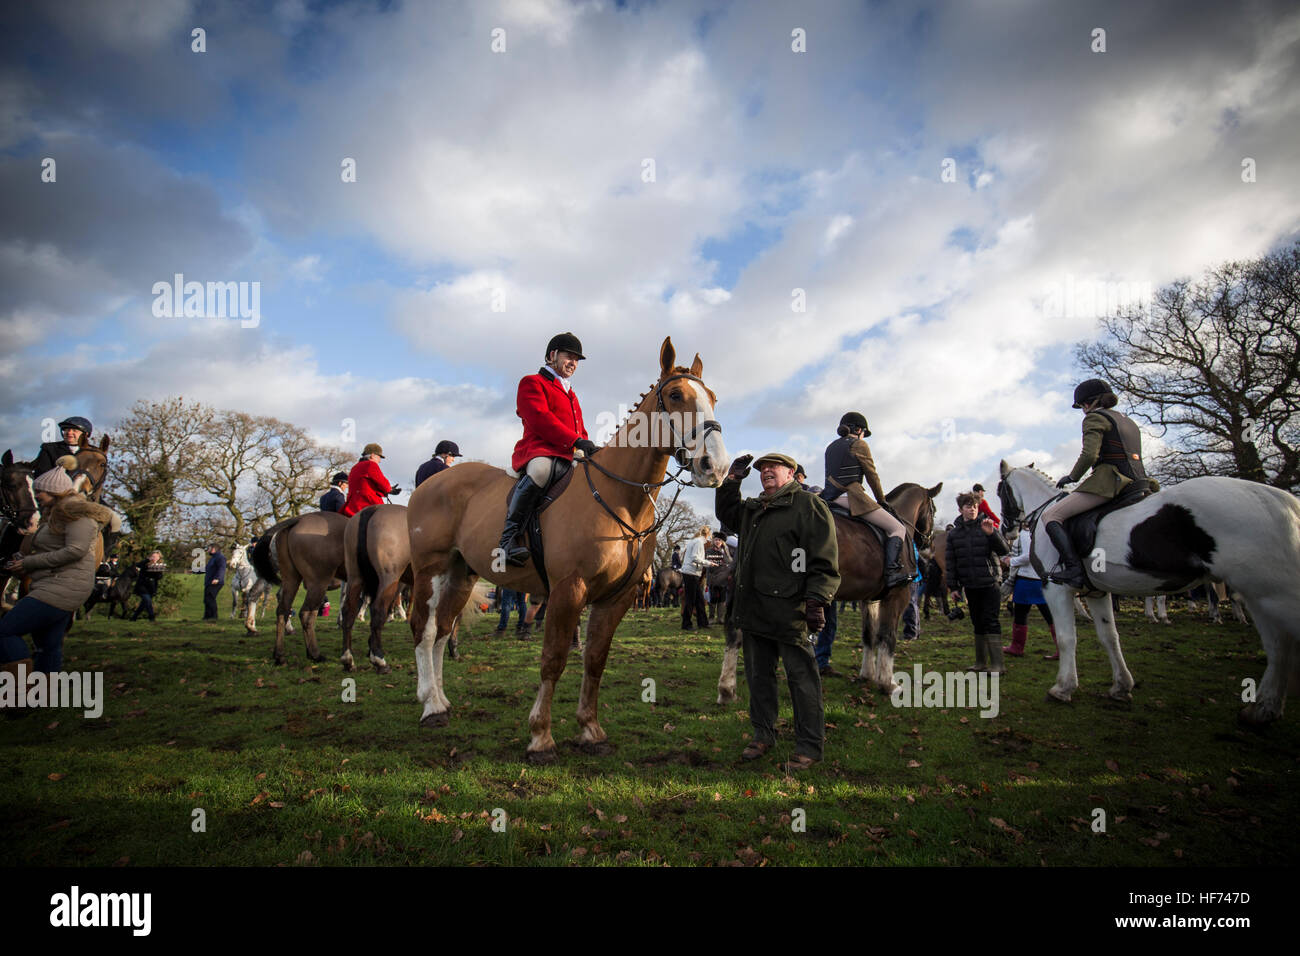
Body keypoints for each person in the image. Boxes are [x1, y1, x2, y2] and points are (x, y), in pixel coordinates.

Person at [716, 451, 840, 772]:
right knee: (759, 677)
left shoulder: (808, 506)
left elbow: (823, 558)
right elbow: (727, 513)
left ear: (791, 473)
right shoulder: (755, 508)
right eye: (762, 468)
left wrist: (816, 600)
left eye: (774, 466)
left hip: (791, 610)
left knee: (801, 680)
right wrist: (731, 481)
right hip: (754, 608)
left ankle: (809, 745)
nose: (766, 470)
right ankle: (763, 734)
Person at [0, 466, 115, 679]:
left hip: (61, 588)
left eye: (39, 492)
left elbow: (76, 550)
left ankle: (18, 690)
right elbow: (50, 549)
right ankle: (44, 695)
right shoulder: (55, 515)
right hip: (57, 585)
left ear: (54, 491)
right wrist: (22, 560)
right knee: (47, 645)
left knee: (5, 631)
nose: (36, 496)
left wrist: (30, 562)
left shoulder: (75, 514)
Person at [1039, 379, 1149, 588]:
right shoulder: (1128, 421)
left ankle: (1074, 570)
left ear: (1087, 403)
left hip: (1112, 482)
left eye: (1081, 406)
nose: (1082, 411)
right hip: (1140, 481)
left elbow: (1090, 455)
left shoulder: (1094, 418)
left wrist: (1072, 477)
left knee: (1050, 515)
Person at [498, 332, 594, 566]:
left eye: (576, 360)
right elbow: (540, 419)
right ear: (552, 356)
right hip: (539, 450)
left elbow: (580, 430)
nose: (573, 363)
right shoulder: (532, 382)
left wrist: (587, 445)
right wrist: (575, 441)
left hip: (568, 453)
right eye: (568, 356)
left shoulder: (572, 394)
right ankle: (508, 540)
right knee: (541, 471)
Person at [820, 412, 908, 588]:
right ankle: (891, 573)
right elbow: (872, 476)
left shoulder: (830, 447)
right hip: (851, 497)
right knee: (897, 528)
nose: (863, 436)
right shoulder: (859, 444)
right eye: (863, 433)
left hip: (828, 498)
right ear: (859, 429)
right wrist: (881, 500)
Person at [945, 492, 1010, 674]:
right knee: (977, 623)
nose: (972, 509)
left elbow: (1004, 550)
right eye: (968, 506)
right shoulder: (954, 534)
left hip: (990, 583)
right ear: (960, 510)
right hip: (970, 585)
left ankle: (998, 665)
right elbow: (951, 562)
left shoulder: (987, 526)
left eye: (974, 506)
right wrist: (954, 587)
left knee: (991, 621)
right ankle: (980, 663)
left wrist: (992, 535)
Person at [1001, 523, 1057, 659]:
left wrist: (1011, 560)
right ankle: (1061, 647)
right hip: (1038, 578)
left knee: (1022, 613)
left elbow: (1028, 555)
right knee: (1047, 615)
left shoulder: (1025, 534)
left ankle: (1017, 647)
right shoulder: (1037, 532)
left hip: (1027, 579)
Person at [342, 444, 400, 517]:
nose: (379, 461)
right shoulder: (371, 464)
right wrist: (389, 489)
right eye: (379, 457)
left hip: (352, 506)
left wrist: (384, 491)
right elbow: (384, 484)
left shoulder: (354, 467)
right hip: (367, 503)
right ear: (372, 455)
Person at [680, 525, 711, 631]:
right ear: (707, 534)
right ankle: (686, 624)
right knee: (691, 599)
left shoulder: (694, 541)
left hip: (691, 573)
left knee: (699, 599)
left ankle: (703, 623)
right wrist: (709, 563)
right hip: (691, 573)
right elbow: (695, 557)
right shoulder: (699, 542)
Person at [131, 551, 166, 622]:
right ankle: (152, 618)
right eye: (153, 556)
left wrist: (158, 572)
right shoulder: (145, 563)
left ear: (159, 558)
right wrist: (147, 560)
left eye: (156, 557)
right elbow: (137, 565)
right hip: (142, 586)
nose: (154, 558)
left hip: (151, 587)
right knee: (147, 601)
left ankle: (134, 617)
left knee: (144, 603)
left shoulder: (159, 565)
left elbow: (159, 577)